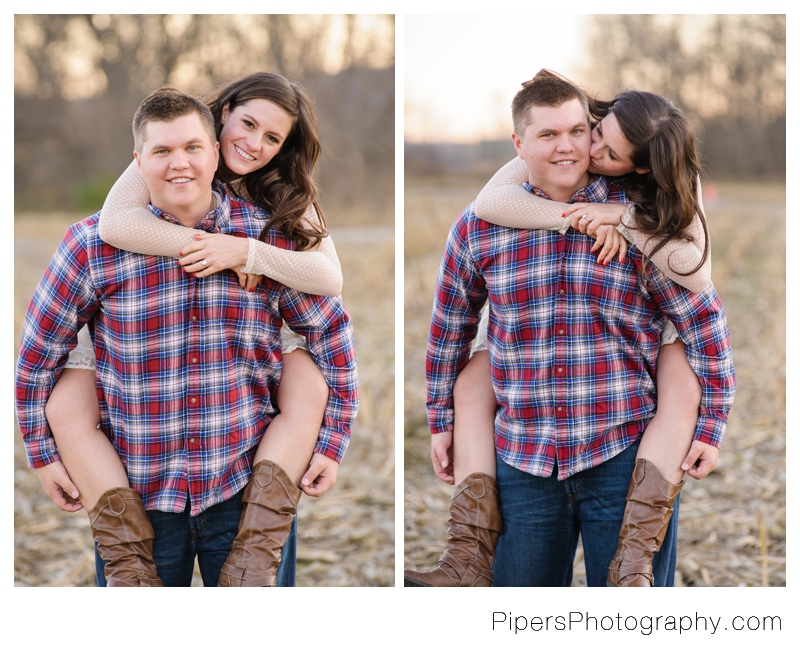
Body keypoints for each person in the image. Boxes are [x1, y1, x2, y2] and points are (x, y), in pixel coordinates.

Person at [16, 86, 358, 587]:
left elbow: (331, 333)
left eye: (192, 148)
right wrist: (42, 454)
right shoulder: (92, 244)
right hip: (137, 491)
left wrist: (333, 439)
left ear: (214, 151)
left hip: (243, 486)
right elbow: (37, 355)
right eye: (162, 151)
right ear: (139, 161)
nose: (180, 164)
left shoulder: (268, 236)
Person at [408, 70, 734, 587]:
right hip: (523, 460)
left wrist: (712, 423)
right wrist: (440, 417)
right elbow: (450, 328)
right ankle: (464, 561)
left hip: (623, 451)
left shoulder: (640, 219)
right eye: (548, 135)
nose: (568, 147)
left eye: (579, 132)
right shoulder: (481, 225)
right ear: (518, 143)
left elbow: (703, 320)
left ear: (594, 131)